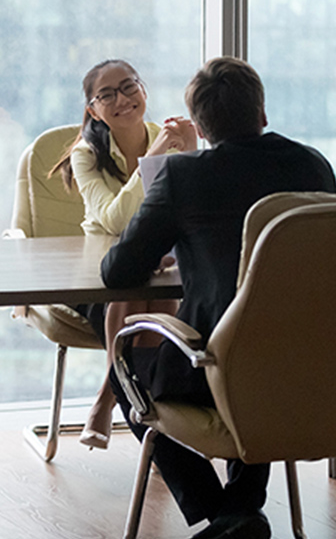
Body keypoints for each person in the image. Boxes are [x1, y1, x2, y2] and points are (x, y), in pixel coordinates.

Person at [101, 57, 336, 539]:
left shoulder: (183, 177)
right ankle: (243, 505)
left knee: (125, 375)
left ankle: (225, 513)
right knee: (262, 355)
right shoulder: (312, 165)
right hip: (306, 363)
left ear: (202, 128)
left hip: (214, 366)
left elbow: (118, 271)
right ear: (262, 113)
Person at [52, 59, 197, 450]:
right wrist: (154, 155)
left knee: (155, 292)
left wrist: (192, 148)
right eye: (107, 95)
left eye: (129, 86)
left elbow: (189, 207)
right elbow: (115, 220)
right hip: (97, 275)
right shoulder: (86, 154)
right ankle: (140, 411)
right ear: (92, 110)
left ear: (144, 90)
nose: (122, 99)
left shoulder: (170, 137)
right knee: (133, 289)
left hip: (160, 267)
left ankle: (115, 399)